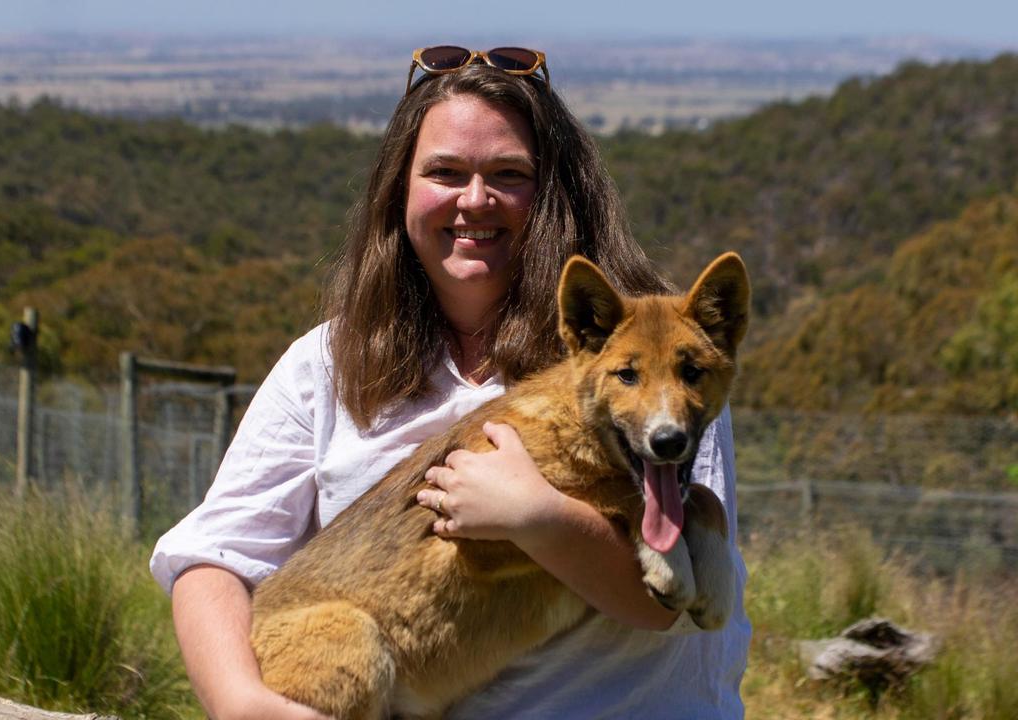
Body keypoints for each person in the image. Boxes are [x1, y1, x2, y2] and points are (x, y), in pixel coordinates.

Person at [151, 46, 751, 719]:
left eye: (509, 173)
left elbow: (671, 604)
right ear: (399, 190)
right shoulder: (325, 363)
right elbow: (214, 553)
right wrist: (238, 703)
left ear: (555, 192)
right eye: (444, 172)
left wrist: (536, 517)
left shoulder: (657, 353)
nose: (474, 199)